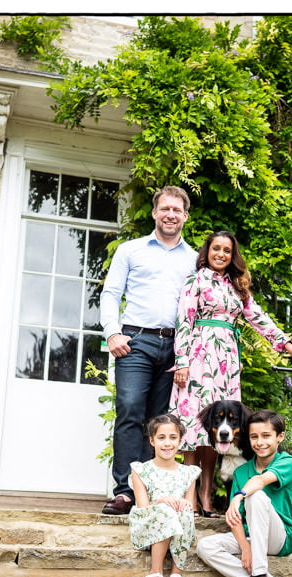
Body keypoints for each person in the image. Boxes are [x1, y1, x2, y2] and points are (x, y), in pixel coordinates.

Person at [170, 231, 292, 516]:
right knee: (195, 430)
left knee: (218, 432)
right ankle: (190, 498)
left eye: (227, 250)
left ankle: (207, 498)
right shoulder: (195, 281)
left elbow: (257, 317)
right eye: (216, 248)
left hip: (227, 362)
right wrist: (181, 361)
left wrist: (284, 342)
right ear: (207, 252)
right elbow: (184, 320)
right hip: (198, 356)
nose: (221, 254)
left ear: (233, 256)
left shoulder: (236, 286)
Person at [99, 186, 197, 515]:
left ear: (185, 216)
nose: (170, 214)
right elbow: (111, 294)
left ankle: (150, 491)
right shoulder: (131, 250)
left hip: (174, 346)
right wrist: (113, 332)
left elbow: (196, 309)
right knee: (129, 409)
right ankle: (126, 491)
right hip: (134, 342)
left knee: (158, 422)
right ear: (155, 213)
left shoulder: (193, 259)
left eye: (177, 210)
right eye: (164, 209)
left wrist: (188, 354)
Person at [196, 409, 292, 577]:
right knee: (205, 546)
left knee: (256, 495)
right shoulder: (241, 472)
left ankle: (260, 574)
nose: (259, 442)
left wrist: (239, 496)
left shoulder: (287, 462)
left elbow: (260, 481)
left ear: (280, 437)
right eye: (254, 437)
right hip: (251, 536)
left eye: (266, 436)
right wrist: (245, 548)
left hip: (280, 537)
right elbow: (235, 518)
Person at [128, 414, 201, 577]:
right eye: (161, 438)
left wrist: (182, 504)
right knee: (165, 510)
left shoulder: (188, 473)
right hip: (148, 526)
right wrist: (161, 502)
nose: (167, 443)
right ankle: (155, 573)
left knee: (184, 511)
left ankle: (177, 575)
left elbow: (189, 505)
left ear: (180, 441)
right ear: (152, 441)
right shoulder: (141, 470)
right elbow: (143, 509)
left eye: (173, 438)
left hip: (179, 529)